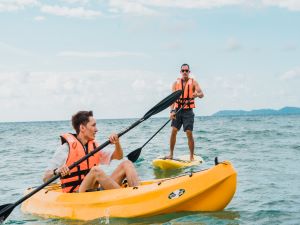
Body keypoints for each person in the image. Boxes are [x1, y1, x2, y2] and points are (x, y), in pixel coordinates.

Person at [43, 110, 140, 193]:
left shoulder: (94, 146)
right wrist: (57, 171)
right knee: (95, 171)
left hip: (95, 191)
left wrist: (117, 143)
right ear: (82, 128)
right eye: (93, 125)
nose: (96, 129)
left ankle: (138, 193)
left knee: (127, 163)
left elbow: (118, 156)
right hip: (77, 195)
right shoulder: (66, 148)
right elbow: (45, 178)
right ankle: (126, 197)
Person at [167, 64, 204, 161]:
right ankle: (171, 154)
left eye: (186, 71)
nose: (184, 72)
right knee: (173, 131)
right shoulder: (175, 83)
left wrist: (196, 94)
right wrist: (172, 111)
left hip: (188, 111)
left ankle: (191, 156)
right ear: (180, 72)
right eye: (183, 70)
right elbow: (172, 100)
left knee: (189, 132)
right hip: (178, 110)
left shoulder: (194, 82)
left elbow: (201, 94)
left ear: (189, 72)